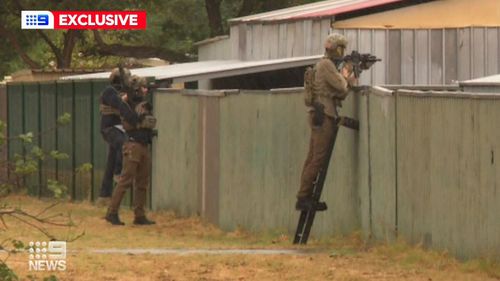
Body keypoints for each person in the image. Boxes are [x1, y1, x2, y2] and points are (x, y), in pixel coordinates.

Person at [296, 33, 358, 210]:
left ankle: (304, 195)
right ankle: (304, 197)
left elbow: (340, 93)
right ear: (337, 48)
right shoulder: (326, 65)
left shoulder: (323, 64)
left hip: (320, 112)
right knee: (318, 158)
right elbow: (341, 87)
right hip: (324, 115)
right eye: (341, 48)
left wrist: (347, 77)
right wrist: (347, 74)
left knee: (313, 157)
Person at [105, 75, 156, 225]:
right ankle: (112, 212)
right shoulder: (126, 104)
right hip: (133, 145)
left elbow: (146, 121)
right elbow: (133, 121)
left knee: (142, 182)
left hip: (144, 145)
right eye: (143, 87)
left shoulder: (142, 104)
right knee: (125, 181)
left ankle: (139, 215)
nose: (146, 90)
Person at [97, 68, 140, 207]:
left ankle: (104, 195)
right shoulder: (109, 91)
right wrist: (127, 99)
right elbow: (119, 105)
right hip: (110, 129)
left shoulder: (122, 93)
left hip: (120, 129)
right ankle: (118, 173)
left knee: (110, 161)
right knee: (124, 144)